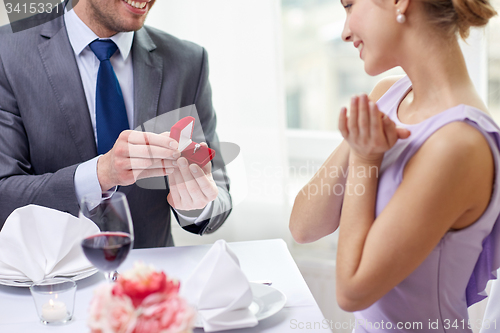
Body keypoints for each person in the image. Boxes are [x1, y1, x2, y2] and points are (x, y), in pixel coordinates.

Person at [289, 0, 500, 331]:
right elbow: (304, 227)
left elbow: (352, 291)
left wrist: (364, 158)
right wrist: (360, 149)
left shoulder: (459, 143)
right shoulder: (388, 95)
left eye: (349, 5)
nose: (345, 32)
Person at [0, 0, 232, 248]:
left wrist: (197, 205)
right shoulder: (7, 52)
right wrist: (100, 175)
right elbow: (5, 193)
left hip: (148, 278)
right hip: (51, 279)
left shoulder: (188, 62)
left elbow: (218, 196)